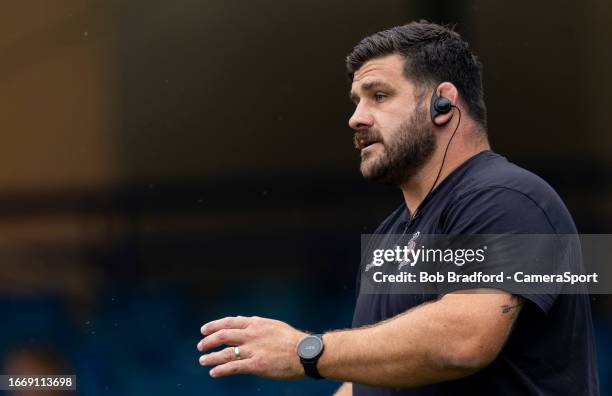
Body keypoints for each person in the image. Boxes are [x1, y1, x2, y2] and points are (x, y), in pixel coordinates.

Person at [196, 21, 599, 395]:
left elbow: (464, 342)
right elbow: (372, 382)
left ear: (442, 103)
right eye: (357, 101)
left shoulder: (512, 198)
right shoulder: (391, 235)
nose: (356, 118)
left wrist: (305, 350)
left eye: (379, 96)